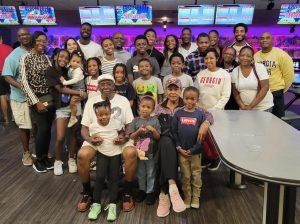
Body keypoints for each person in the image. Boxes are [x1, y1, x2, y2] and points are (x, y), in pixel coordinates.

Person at [77, 74, 136, 213]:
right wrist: (90, 139)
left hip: (119, 137)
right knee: (82, 155)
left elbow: (130, 125)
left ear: (114, 85)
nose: (106, 87)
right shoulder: (91, 101)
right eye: (102, 84)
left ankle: (127, 194)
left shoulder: (123, 100)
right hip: (97, 138)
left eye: (109, 83)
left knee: (131, 153)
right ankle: (87, 193)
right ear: (98, 87)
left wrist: (125, 137)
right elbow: (84, 128)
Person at [155, 77, 213, 217]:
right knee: (165, 143)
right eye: (170, 89)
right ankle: (168, 192)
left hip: (185, 145)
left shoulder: (188, 104)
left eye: (176, 89)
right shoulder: (160, 108)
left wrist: (205, 124)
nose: (173, 92)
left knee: (167, 146)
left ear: (180, 91)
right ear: (166, 90)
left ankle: (166, 191)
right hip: (168, 142)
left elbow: (208, 115)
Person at [46, 49, 87, 176]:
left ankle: (71, 159)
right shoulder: (51, 70)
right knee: (60, 137)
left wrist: (81, 93)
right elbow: (61, 89)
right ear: (56, 56)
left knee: (74, 134)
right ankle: (58, 161)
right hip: (62, 107)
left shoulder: (70, 69)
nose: (63, 59)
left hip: (75, 104)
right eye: (61, 57)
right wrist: (80, 93)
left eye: (66, 58)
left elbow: (79, 81)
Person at [19, 31, 54, 173]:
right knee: (42, 129)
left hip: (48, 98)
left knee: (48, 130)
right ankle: (38, 159)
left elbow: (51, 77)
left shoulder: (46, 58)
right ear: (34, 41)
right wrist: (35, 101)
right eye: (39, 40)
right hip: (35, 99)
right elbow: (24, 82)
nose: (42, 43)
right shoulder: (25, 58)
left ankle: (45, 156)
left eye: (44, 41)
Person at [194, 48, 231, 170]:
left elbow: (226, 95)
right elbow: (196, 93)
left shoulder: (224, 74)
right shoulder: (200, 74)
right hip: (201, 111)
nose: (208, 60)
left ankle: (216, 158)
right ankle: (207, 158)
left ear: (217, 58)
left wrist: (215, 109)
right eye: (206, 58)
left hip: (217, 112)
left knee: (214, 138)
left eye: (211, 58)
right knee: (203, 137)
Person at [87, 100, 122, 222]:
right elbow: (91, 137)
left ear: (110, 112)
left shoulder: (115, 122)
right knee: (100, 177)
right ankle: (96, 204)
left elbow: (122, 131)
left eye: (106, 114)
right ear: (95, 114)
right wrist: (94, 139)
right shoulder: (93, 126)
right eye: (100, 115)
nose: (104, 117)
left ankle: (112, 205)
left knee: (114, 178)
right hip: (102, 153)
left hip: (116, 153)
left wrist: (120, 137)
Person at [172, 86, 206, 209]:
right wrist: (178, 147)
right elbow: (174, 132)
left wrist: (194, 149)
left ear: (197, 99)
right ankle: (187, 196)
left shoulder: (200, 114)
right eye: (187, 98)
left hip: (195, 153)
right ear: (183, 98)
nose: (190, 101)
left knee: (196, 175)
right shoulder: (178, 113)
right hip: (182, 152)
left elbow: (202, 137)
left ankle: (196, 197)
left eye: (193, 99)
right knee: (185, 176)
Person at [2, 28, 32, 166]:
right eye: (21, 35)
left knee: (37, 126)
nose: (24, 37)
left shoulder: (35, 51)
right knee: (24, 126)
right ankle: (26, 153)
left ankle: (39, 151)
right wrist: (21, 86)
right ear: (18, 38)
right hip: (20, 98)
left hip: (36, 97)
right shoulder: (14, 56)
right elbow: (7, 76)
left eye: (26, 34)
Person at [128, 94, 161, 205]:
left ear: (152, 109)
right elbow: (131, 136)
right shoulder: (135, 121)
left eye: (148, 107)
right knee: (141, 172)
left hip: (151, 152)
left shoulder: (155, 120)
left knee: (151, 172)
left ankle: (150, 192)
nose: (145, 109)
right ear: (139, 106)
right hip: (139, 153)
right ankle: (142, 190)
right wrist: (138, 132)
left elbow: (158, 137)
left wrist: (153, 131)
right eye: (143, 106)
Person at [254, 32, 294, 118]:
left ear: (273, 40)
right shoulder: (255, 56)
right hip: (261, 93)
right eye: (262, 38)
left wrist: (281, 89)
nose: (264, 40)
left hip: (276, 92)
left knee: (277, 120)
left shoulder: (281, 54)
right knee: (262, 119)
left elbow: (289, 75)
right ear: (259, 41)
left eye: (267, 38)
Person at [232, 46, 273, 111]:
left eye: (248, 56)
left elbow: (265, 87)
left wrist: (250, 107)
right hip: (244, 108)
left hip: (262, 108)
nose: (245, 58)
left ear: (252, 58)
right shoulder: (235, 71)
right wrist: (242, 106)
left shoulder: (259, 67)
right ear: (239, 56)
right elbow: (235, 91)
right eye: (242, 55)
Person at [60, 50, 85, 128]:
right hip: (74, 90)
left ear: (81, 63)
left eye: (78, 62)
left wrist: (64, 82)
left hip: (79, 90)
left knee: (73, 102)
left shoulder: (78, 70)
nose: (75, 63)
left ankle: (73, 117)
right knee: (71, 101)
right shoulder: (69, 68)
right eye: (73, 61)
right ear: (70, 61)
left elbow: (75, 80)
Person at [0, 36, 13, 124]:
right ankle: (14, 117)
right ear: (1, 39)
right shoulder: (9, 48)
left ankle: (6, 118)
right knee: (12, 96)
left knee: (2, 96)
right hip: (10, 74)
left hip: (0, 75)